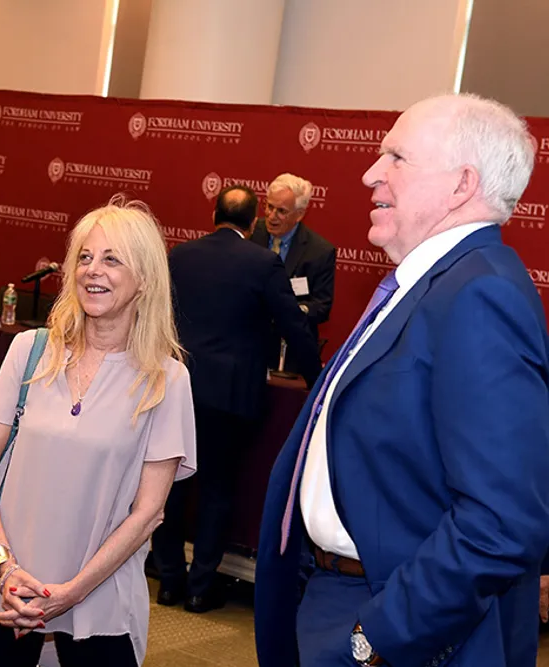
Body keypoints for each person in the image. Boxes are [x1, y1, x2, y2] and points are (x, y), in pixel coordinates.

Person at [255, 94, 549, 667]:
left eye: (396, 157)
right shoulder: (427, 285)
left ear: (462, 184)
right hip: (337, 598)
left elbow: (500, 521)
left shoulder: (478, 294)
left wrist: (377, 641)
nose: (370, 173)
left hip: (397, 630)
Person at [0, 196, 197, 667]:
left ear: (145, 278)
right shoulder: (29, 351)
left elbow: (149, 513)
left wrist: (70, 593)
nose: (93, 271)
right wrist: (4, 566)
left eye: (112, 260)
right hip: (2, 589)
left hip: (100, 600)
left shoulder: (166, 380)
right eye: (84, 258)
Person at [151, 185, 321, 613]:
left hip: (176, 387)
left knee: (168, 485)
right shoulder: (264, 262)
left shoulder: (180, 255)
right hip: (229, 396)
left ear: (214, 215)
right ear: (253, 223)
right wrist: (316, 378)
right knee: (217, 488)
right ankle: (199, 588)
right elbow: (293, 326)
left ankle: (168, 580)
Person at [250, 173, 335, 371]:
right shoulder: (251, 233)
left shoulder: (319, 251)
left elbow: (322, 307)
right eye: (269, 207)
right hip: (248, 343)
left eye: (281, 211)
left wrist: (294, 309)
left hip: (289, 352)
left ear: (300, 214)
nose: (271, 216)